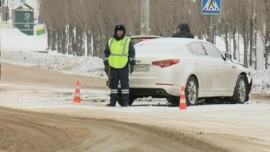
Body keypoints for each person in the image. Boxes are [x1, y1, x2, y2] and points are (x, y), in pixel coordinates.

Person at [103, 24, 136, 107]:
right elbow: (107, 52)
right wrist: (106, 65)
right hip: (113, 66)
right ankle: (112, 102)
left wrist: (132, 64)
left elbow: (132, 53)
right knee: (113, 85)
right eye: (118, 31)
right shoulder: (110, 41)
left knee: (124, 85)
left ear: (123, 32)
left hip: (123, 66)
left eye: (121, 31)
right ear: (115, 32)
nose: (119, 33)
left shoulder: (127, 41)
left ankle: (125, 102)